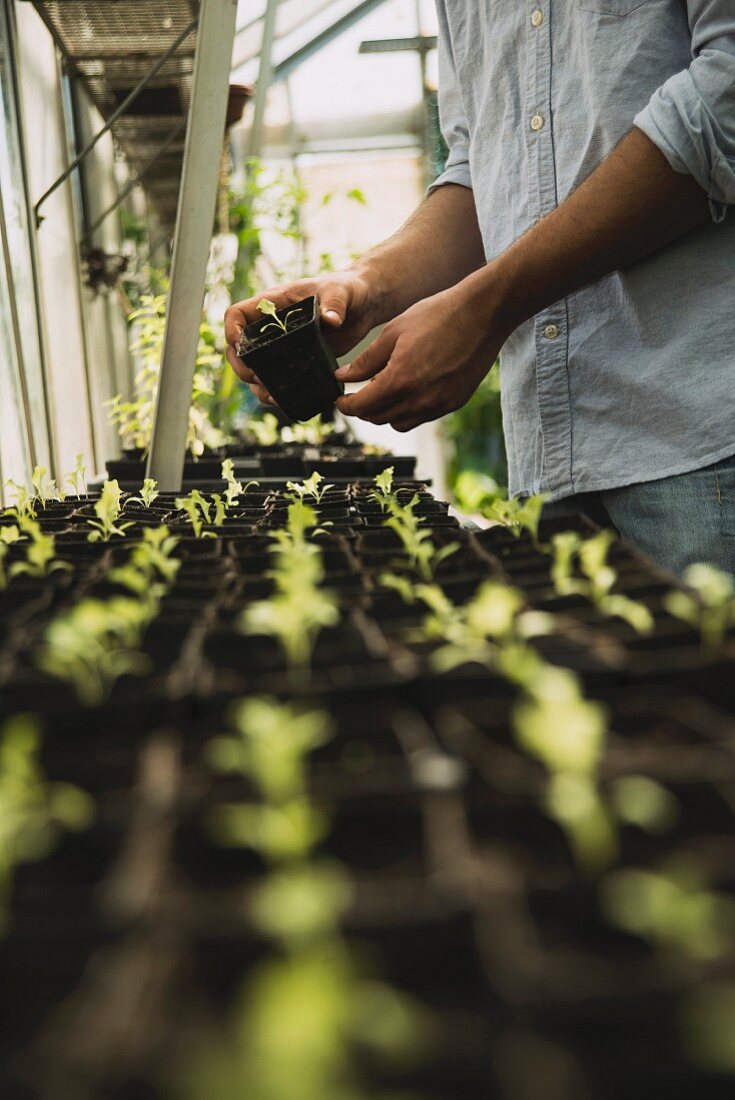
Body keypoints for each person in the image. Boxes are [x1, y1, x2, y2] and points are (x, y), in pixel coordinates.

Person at [226, 1, 735, 577]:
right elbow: (482, 170)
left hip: (704, 443)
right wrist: (368, 284)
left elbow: (724, 100)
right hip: (553, 467)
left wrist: (488, 306)